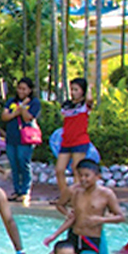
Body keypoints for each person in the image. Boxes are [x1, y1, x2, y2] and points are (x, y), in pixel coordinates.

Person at [40, 159, 124, 254]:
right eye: (80, 175)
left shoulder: (106, 194)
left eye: (87, 175)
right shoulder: (75, 191)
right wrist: (55, 233)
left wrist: (101, 219)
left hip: (91, 239)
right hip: (73, 236)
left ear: (97, 177)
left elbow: (120, 217)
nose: (83, 179)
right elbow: (65, 210)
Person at [53, 77, 93, 208]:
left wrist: (89, 89)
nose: (73, 92)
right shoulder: (67, 104)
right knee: (59, 170)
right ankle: (66, 195)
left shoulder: (84, 106)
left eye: (76, 89)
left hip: (80, 140)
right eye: (72, 89)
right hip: (66, 141)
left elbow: (90, 100)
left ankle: (76, 197)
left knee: (77, 170)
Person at [1, 77, 41, 204]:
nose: (21, 91)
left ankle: (25, 191)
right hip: (12, 137)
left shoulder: (34, 102)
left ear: (30, 90)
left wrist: (23, 108)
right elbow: (4, 116)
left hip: (26, 138)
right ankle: (16, 190)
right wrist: (16, 111)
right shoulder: (11, 101)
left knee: (23, 162)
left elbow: (28, 117)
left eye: (24, 89)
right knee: (14, 164)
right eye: (19, 88)